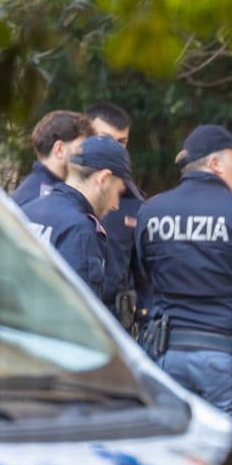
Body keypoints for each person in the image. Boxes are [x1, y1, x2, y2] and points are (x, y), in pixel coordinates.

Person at [136, 124, 232, 415]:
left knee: (172, 447)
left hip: (164, 354)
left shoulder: (151, 211)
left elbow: (140, 277)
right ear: (215, 164)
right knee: (225, 452)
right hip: (223, 359)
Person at [23, 135, 143, 298]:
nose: (115, 204)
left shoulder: (28, 211)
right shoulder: (80, 230)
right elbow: (77, 316)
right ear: (104, 179)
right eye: (118, 192)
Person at [87, 103, 142, 330]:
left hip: (115, 325)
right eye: (105, 139)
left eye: (122, 143)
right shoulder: (55, 194)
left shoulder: (134, 203)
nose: (115, 149)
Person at [11, 110, 93, 208]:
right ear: (60, 150)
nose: (86, 155)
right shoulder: (48, 199)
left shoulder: (33, 190)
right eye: (81, 148)